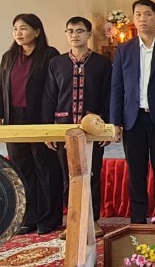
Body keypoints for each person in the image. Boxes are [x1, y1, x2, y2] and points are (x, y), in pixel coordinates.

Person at [110, 0, 155, 224]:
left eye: (148, 14)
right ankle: (138, 219)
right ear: (133, 18)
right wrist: (115, 122)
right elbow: (117, 86)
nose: (143, 19)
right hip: (133, 119)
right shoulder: (125, 49)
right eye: (138, 14)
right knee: (136, 172)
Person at [0, 13, 63, 234]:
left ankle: (49, 218)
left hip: (40, 117)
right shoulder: (9, 57)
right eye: (15, 29)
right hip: (13, 119)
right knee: (21, 168)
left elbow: (55, 89)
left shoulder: (49, 55)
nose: (18, 33)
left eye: (23, 28)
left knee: (46, 168)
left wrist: (53, 120)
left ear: (37, 31)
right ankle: (29, 217)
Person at [41, 16, 112, 226]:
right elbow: (49, 97)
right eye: (70, 31)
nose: (74, 35)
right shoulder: (57, 63)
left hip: (93, 127)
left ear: (89, 34)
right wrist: (48, 130)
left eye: (79, 31)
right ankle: (73, 222)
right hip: (64, 127)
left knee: (92, 174)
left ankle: (92, 221)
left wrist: (107, 127)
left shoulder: (101, 63)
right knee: (69, 175)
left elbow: (108, 95)